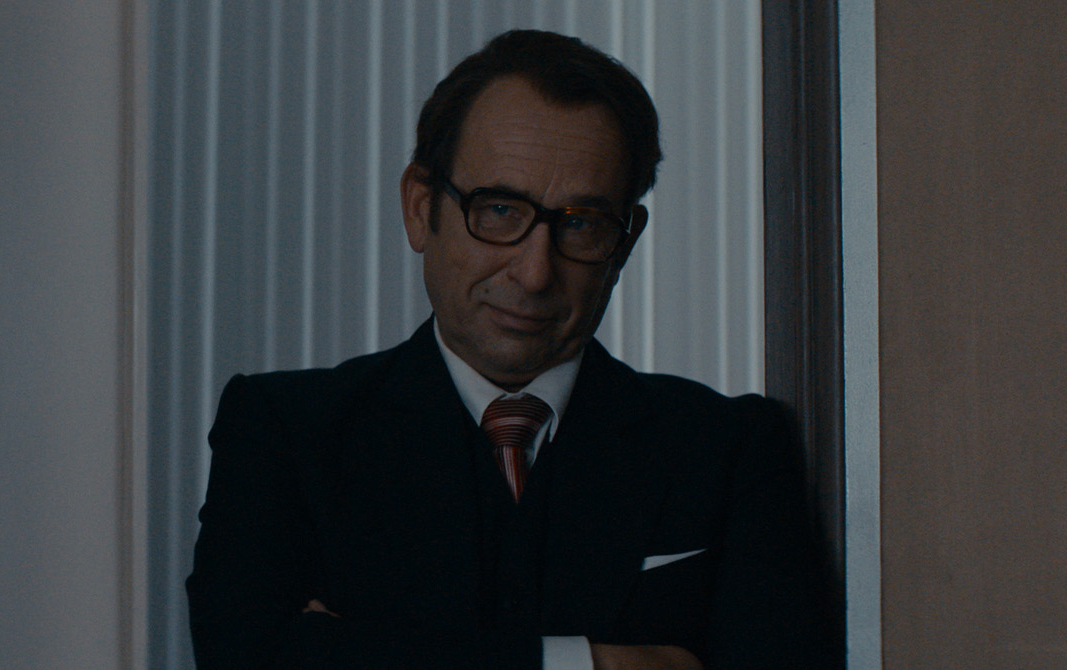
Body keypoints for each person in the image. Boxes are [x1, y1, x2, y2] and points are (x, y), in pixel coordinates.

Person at [187, 29, 822, 670]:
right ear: (419, 208)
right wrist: (590, 663)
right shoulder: (285, 431)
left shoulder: (729, 449)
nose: (535, 272)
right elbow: (247, 659)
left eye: (581, 223)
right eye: (498, 210)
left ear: (625, 242)